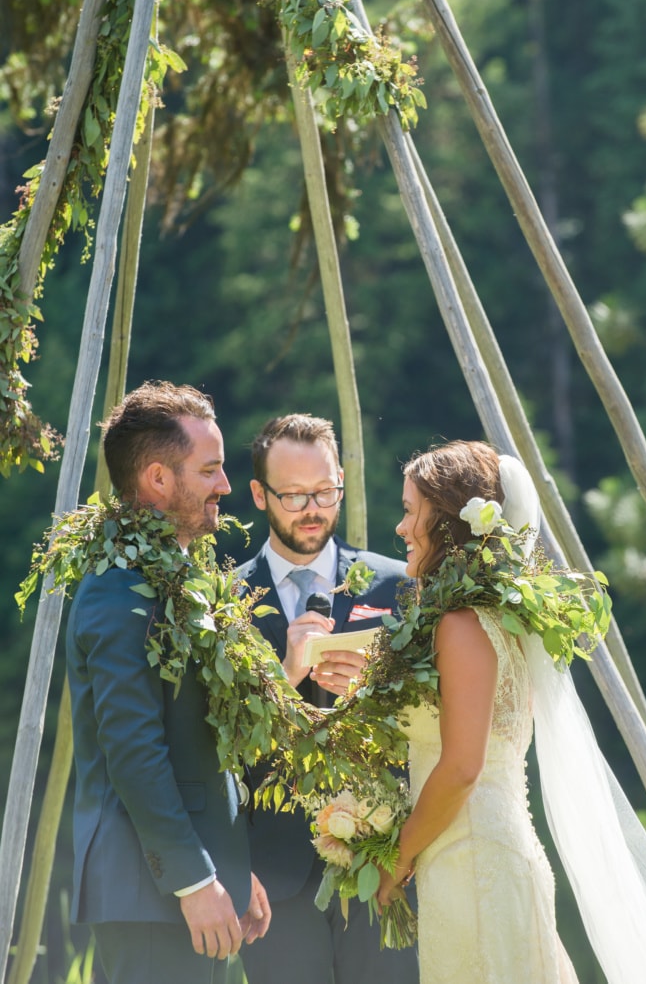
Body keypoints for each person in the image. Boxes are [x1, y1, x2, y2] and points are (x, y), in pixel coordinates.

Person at [376, 440, 646, 984]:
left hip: (473, 863)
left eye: (409, 511)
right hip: (481, 854)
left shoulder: (464, 626)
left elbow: (462, 767)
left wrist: (397, 858)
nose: (400, 528)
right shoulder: (503, 621)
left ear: (448, 523)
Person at [66, 381, 271, 984]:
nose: (226, 486)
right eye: (210, 470)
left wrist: (229, 868)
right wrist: (195, 879)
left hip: (186, 887)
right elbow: (133, 752)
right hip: (149, 895)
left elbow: (194, 743)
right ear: (158, 479)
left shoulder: (171, 577)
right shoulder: (117, 590)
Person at [237, 413, 419, 984]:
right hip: (270, 875)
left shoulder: (397, 584)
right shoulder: (224, 600)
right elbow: (208, 738)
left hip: (381, 862)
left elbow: (436, 714)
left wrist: (378, 688)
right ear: (260, 495)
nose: (312, 508)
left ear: (341, 478)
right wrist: (283, 678)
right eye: (293, 495)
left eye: (325, 491)